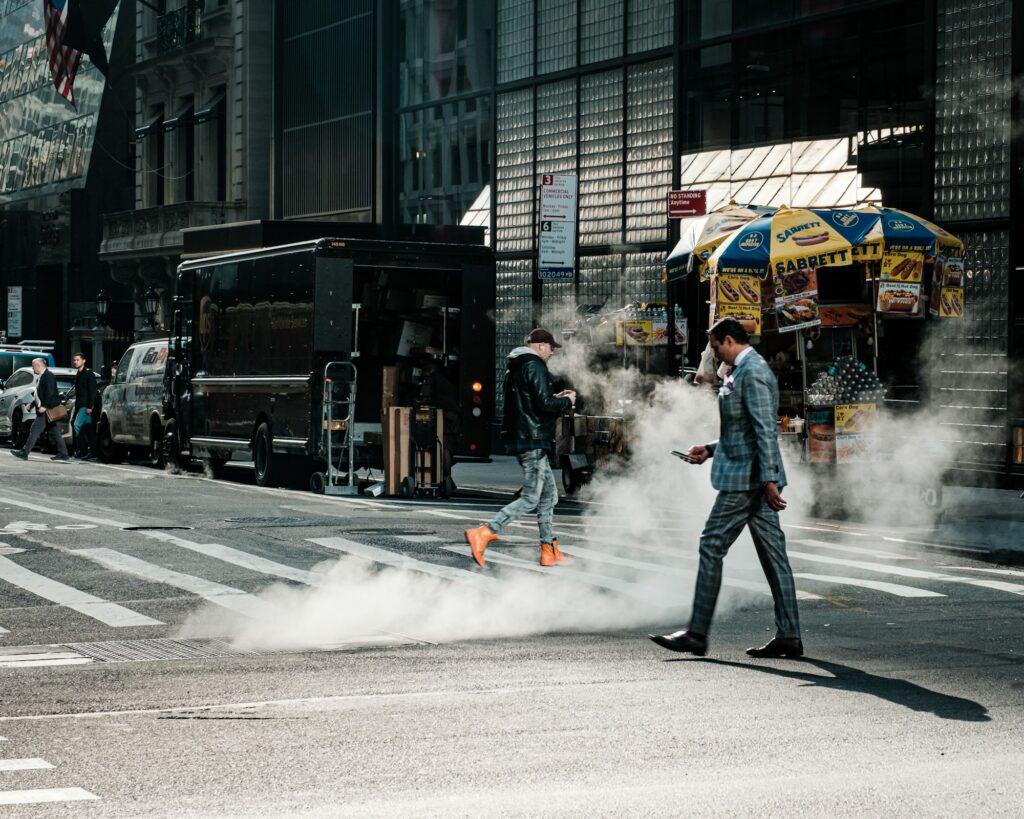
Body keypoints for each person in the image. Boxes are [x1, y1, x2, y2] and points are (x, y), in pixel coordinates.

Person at [650, 318, 802, 659]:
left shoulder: (754, 372)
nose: (714, 354)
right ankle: (789, 635)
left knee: (711, 544)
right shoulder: (740, 370)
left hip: (747, 480)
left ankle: (697, 633)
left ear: (729, 340)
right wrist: (710, 449)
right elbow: (743, 428)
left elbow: (764, 431)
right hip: (749, 475)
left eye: (716, 347)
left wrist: (768, 481)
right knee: (774, 557)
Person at [465, 328, 576, 568]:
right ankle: (484, 532)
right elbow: (545, 404)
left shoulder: (516, 365)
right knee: (531, 497)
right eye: (551, 347)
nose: (552, 353)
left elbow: (533, 401)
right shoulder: (534, 365)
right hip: (531, 439)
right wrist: (567, 400)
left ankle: (549, 550)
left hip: (525, 436)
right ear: (540, 345)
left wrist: (555, 396)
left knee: (549, 495)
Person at [10, 358, 69, 462]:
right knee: (54, 431)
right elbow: (40, 394)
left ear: (38, 365)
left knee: (34, 430)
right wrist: (32, 404)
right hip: (46, 408)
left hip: (48, 409)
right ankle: (63, 453)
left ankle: (24, 452)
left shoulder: (48, 376)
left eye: (33, 366)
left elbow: (50, 393)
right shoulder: (41, 376)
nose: (33, 368)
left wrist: (44, 406)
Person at [71, 352, 98, 459]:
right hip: (80, 405)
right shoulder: (78, 373)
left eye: (77, 360)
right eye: (74, 360)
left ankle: (82, 450)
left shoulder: (88, 373)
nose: (75, 362)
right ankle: (90, 451)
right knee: (88, 429)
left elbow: (92, 391)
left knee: (77, 426)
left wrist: (89, 406)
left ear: (83, 361)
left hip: (85, 405)